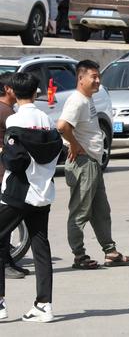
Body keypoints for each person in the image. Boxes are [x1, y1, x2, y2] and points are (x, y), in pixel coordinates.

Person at [57, 60, 129, 270]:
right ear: (81, 78)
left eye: (98, 76)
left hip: (93, 163)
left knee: (101, 210)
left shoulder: (87, 99)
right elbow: (62, 126)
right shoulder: (77, 101)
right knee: (80, 213)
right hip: (83, 164)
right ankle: (79, 256)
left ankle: (110, 252)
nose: (98, 80)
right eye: (93, 77)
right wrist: (75, 145)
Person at [0, 72, 63, 323]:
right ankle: (43, 305)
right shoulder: (47, 121)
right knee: (40, 247)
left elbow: (16, 161)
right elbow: (57, 149)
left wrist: (5, 151)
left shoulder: (16, 120)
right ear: (36, 93)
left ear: (13, 92)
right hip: (43, 190)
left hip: (19, 191)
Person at [0, 74, 28, 280]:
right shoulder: (4, 111)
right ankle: (4, 265)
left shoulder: (9, 111)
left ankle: (8, 261)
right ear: (8, 89)